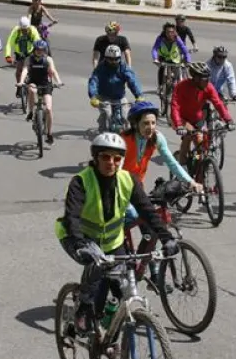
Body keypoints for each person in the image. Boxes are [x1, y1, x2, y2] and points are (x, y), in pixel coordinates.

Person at [54, 132, 179, 336]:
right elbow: (72, 217)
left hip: (113, 240)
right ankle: (84, 307)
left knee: (121, 285)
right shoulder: (81, 181)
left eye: (117, 158)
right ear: (96, 158)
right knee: (95, 264)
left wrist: (167, 238)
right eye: (105, 157)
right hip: (79, 238)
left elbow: (147, 211)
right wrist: (79, 244)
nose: (111, 162)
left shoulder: (127, 179)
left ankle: (109, 336)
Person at [170, 61, 235, 166]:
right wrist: (178, 125)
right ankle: (182, 165)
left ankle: (196, 163)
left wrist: (228, 119)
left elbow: (218, 103)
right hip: (181, 119)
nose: (207, 82)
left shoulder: (208, 87)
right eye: (204, 79)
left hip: (197, 119)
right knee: (188, 135)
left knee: (201, 146)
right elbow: (175, 106)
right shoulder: (181, 86)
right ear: (195, 78)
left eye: (208, 79)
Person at [87, 45, 143, 132]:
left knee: (126, 117)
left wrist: (138, 95)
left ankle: (127, 137)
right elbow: (93, 81)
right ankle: (102, 133)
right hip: (104, 97)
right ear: (105, 58)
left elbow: (132, 80)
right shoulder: (100, 68)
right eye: (110, 59)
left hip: (120, 97)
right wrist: (93, 97)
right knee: (107, 114)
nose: (113, 61)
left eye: (116, 59)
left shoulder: (123, 67)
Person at [19, 39, 63, 145]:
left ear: (45, 50)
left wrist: (59, 81)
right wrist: (21, 81)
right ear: (34, 49)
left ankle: (49, 133)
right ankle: (30, 112)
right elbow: (25, 69)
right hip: (33, 81)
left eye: (42, 50)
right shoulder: (29, 59)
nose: (39, 51)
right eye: (38, 49)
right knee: (31, 89)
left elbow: (53, 70)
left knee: (48, 108)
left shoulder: (48, 59)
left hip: (45, 83)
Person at [4, 16, 41, 97]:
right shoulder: (16, 31)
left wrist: (38, 53)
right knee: (18, 72)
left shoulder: (33, 30)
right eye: (22, 30)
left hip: (30, 52)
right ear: (20, 28)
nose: (24, 31)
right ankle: (19, 87)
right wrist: (7, 55)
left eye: (26, 30)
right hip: (19, 53)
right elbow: (9, 43)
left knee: (34, 69)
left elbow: (38, 42)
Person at [151, 22, 192, 95]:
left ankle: (175, 86)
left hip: (175, 59)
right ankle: (160, 86)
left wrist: (188, 60)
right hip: (163, 58)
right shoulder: (160, 38)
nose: (170, 34)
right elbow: (155, 49)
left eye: (172, 32)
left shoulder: (177, 38)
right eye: (168, 32)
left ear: (174, 32)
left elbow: (184, 50)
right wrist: (155, 59)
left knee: (177, 77)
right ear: (165, 32)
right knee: (162, 68)